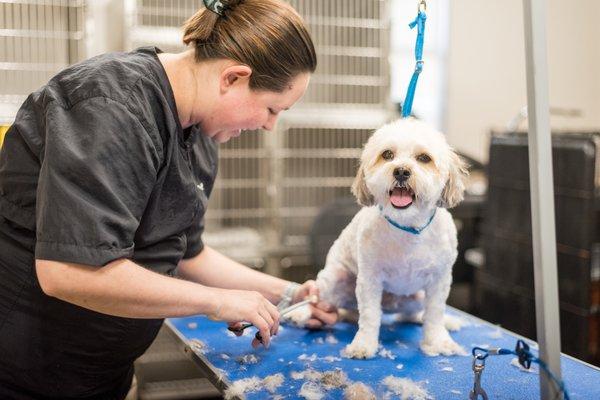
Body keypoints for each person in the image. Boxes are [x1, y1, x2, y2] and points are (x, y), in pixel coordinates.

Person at [0, 0, 337, 398]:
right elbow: (68, 271)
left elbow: (189, 255)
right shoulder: (110, 107)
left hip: (104, 373)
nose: (268, 125)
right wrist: (215, 302)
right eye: (270, 109)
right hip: (25, 375)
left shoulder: (201, 136)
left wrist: (287, 294)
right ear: (232, 77)